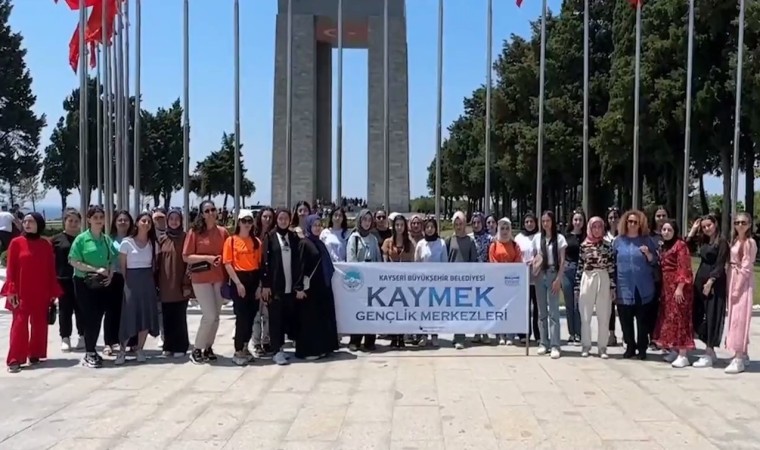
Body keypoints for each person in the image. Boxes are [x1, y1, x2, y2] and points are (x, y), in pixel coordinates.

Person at [1, 213, 62, 373]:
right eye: (25, 221)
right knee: (19, 325)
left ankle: (35, 353)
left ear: (39, 224)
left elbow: (50, 269)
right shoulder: (16, 243)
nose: (27, 224)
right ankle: (15, 359)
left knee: (40, 324)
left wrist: (52, 292)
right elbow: (11, 270)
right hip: (21, 292)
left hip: (41, 291)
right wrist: (11, 291)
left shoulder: (45, 245)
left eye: (31, 221)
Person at [69, 206, 117, 368]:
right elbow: (73, 261)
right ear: (88, 220)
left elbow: (111, 260)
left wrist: (109, 274)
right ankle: (89, 352)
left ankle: (92, 350)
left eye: (101, 217)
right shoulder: (81, 239)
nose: (98, 220)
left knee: (99, 317)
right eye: (95, 217)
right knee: (90, 318)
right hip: (84, 283)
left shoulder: (106, 239)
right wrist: (95, 269)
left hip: (102, 284)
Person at [182, 200, 229, 364]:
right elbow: (186, 256)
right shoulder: (194, 232)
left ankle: (208, 347)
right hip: (201, 278)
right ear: (202, 214)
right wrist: (207, 258)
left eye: (213, 210)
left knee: (216, 316)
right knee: (209, 315)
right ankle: (197, 348)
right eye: (207, 210)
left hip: (219, 278)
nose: (211, 213)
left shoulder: (223, 232)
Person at [114, 213, 161, 365]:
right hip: (131, 282)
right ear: (137, 223)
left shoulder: (154, 243)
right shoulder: (126, 243)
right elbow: (123, 267)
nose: (146, 223)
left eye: (149, 221)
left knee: (145, 316)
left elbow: (155, 266)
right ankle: (122, 350)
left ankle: (140, 348)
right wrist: (128, 284)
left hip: (147, 281)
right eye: (143, 221)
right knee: (129, 315)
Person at [613, 209, 658, 360]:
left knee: (642, 320)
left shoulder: (647, 240)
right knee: (626, 319)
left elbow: (655, 261)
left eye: (635, 222)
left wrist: (648, 254)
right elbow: (612, 264)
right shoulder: (618, 241)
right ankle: (630, 346)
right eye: (629, 221)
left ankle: (642, 348)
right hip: (624, 286)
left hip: (643, 286)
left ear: (640, 224)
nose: (632, 224)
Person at [686, 214, 729, 368]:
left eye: (708, 225)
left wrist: (711, 281)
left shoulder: (722, 242)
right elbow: (686, 247)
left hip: (715, 283)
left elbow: (720, 264)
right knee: (695, 315)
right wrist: (693, 230)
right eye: (704, 227)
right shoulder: (703, 240)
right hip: (699, 280)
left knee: (712, 316)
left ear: (715, 224)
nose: (706, 229)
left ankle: (709, 351)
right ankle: (708, 346)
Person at [295, 214, 340, 359]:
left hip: (322, 287)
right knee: (310, 320)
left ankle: (322, 348)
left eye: (319, 225)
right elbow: (300, 266)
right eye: (314, 225)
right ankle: (308, 351)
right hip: (310, 289)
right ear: (308, 226)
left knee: (321, 319)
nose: (317, 228)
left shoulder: (319, 243)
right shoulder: (304, 243)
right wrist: (299, 288)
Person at [261, 209, 302, 365]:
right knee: (275, 319)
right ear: (276, 220)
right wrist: (265, 285)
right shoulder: (270, 237)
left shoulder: (293, 237)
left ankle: (283, 347)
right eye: (280, 218)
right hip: (275, 286)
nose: (283, 221)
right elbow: (264, 262)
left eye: (286, 218)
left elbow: (298, 260)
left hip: (290, 286)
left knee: (286, 318)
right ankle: (276, 350)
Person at [223, 209, 262, 366]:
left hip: (253, 280)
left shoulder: (257, 242)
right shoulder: (231, 241)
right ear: (238, 222)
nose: (247, 224)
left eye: (249, 221)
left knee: (252, 315)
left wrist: (259, 285)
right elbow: (227, 263)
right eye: (244, 221)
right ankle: (238, 349)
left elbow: (260, 266)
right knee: (241, 317)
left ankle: (246, 346)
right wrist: (238, 283)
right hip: (239, 279)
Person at [653, 220, 694, 368]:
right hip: (667, 288)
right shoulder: (664, 246)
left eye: (669, 230)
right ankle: (675, 349)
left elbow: (684, 267)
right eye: (663, 229)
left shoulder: (680, 245)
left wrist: (680, 287)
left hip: (679, 288)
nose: (666, 232)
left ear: (674, 231)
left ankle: (683, 354)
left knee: (681, 319)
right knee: (670, 319)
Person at [574, 216, 616, 359]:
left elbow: (611, 266)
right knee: (585, 314)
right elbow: (580, 267)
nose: (597, 230)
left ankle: (602, 347)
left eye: (599, 227)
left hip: (603, 277)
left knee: (604, 314)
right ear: (590, 228)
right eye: (594, 227)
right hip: (588, 277)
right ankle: (586, 345)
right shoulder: (584, 245)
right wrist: (577, 287)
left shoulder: (607, 245)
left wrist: (612, 286)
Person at [157, 209, 192, 358]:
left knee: (179, 316)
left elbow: (189, 262)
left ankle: (181, 345)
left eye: (177, 219)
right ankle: (168, 345)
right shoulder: (162, 238)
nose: (174, 221)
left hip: (180, 283)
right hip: (165, 284)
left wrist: (186, 284)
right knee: (167, 316)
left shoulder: (186, 238)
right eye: (171, 219)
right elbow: (157, 262)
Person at [724, 212, 756, 374]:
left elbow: (746, 267)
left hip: (742, 283)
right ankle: (743, 353)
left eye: (743, 222)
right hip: (733, 277)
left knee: (739, 318)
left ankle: (738, 357)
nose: (740, 225)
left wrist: (737, 288)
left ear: (749, 224)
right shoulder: (736, 240)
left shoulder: (750, 243)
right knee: (734, 317)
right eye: (737, 222)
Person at [532, 211, 566, 359]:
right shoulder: (537, 238)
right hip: (540, 274)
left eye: (548, 221)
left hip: (553, 272)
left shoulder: (559, 239)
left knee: (554, 311)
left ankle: (555, 344)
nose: (545, 223)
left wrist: (559, 278)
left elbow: (563, 261)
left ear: (553, 222)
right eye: (543, 221)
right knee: (541, 311)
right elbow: (535, 257)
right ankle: (543, 342)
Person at [347, 209, 381, 351]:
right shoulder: (353, 238)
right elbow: (351, 259)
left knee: (371, 311)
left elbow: (378, 258)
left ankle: (370, 340)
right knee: (358, 310)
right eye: (364, 220)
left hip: (371, 280)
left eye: (369, 220)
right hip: (358, 281)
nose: (367, 223)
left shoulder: (373, 239)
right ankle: (355, 340)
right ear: (360, 221)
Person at [51, 209, 84, 352]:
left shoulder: (83, 238)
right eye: (70, 221)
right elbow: (50, 261)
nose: (73, 224)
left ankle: (83, 336)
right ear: (64, 222)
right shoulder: (56, 240)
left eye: (76, 221)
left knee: (82, 309)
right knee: (65, 310)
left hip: (81, 279)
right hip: (63, 279)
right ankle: (65, 337)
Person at [381, 214, 415, 348]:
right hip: (391, 281)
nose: (399, 227)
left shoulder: (410, 243)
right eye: (397, 225)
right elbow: (384, 261)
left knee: (403, 310)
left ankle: (401, 337)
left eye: (401, 225)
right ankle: (393, 336)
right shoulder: (387, 242)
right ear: (393, 227)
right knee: (392, 310)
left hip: (405, 282)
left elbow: (412, 262)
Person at [488, 218, 522, 345]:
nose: (505, 231)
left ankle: (510, 335)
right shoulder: (494, 245)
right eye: (502, 228)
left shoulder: (514, 245)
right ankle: (500, 334)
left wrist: (509, 273)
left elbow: (518, 260)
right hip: (497, 282)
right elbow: (492, 261)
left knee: (511, 309)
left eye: (507, 228)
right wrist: (502, 272)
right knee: (499, 309)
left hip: (511, 282)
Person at [414, 217, 447, 347]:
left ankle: (434, 335)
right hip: (423, 283)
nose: (429, 229)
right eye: (427, 227)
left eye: (432, 227)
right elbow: (416, 264)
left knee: (435, 311)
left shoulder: (442, 243)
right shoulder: (420, 244)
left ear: (435, 228)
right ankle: (423, 335)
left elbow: (445, 264)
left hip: (437, 284)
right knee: (423, 310)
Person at [448, 211, 479, 349]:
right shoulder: (448, 240)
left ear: (465, 224)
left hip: (465, 281)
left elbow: (473, 261)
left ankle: (460, 337)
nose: (458, 226)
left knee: (461, 310)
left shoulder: (470, 241)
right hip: (451, 280)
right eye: (456, 224)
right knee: (453, 311)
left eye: (461, 224)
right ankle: (456, 335)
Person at [107, 210, 133, 355]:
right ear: (115, 222)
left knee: (130, 311)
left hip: (130, 277)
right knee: (112, 311)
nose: (123, 222)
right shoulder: (109, 239)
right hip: (114, 277)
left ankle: (131, 342)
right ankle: (110, 342)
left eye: (126, 220)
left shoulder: (134, 239)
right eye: (120, 220)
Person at [251, 206, 275, 357]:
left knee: (267, 313)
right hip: (253, 278)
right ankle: (256, 342)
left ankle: (266, 341)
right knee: (255, 314)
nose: (267, 219)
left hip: (269, 279)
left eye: (270, 217)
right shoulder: (252, 235)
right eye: (265, 216)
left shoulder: (274, 235)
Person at [515, 213, 540, 344]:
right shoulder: (519, 237)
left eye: (531, 221)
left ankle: (538, 334)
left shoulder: (539, 236)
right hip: (522, 277)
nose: (529, 224)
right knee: (524, 307)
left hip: (537, 276)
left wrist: (534, 262)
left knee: (538, 307)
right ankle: (524, 334)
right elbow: (516, 254)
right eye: (527, 222)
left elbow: (541, 254)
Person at [563, 209, 586, 346]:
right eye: (575, 219)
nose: (578, 222)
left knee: (579, 304)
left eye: (580, 220)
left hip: (582, 271)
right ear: (572, 221)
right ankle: (571, 333)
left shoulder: (586, 237)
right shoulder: (565, 237)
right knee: (569, 303)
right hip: (567, 270)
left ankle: (579, 333)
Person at [605, 207, 621, 347]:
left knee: (622, 305)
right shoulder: (604, 236)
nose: (613, 220)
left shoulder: (624, 236)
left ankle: (625, 336)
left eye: (615, 217)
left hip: (621, 274)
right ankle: (611, 334)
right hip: (607, 274)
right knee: (609, 306)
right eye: (610, 218)